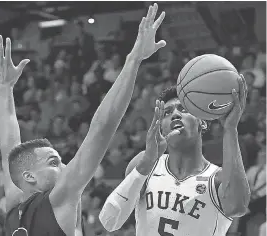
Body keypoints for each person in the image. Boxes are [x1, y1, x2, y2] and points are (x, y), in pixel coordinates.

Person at [0, 3, 166, 236]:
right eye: (53, 162)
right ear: (29, 177)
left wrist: (4, 88)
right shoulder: (58, 198)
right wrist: (133, 59)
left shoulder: (14, 207)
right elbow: (101, 128)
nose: (66, 166)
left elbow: (9, 144)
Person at [100, 76, 251, 235]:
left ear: (203, 122)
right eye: (166, 112)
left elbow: (238, 207)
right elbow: (110, 221)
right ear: (161, 128)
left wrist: (230, 129)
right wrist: (146, 163)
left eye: (184, 109)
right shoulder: (145, 164)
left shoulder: (218, 178)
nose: (175, 115)